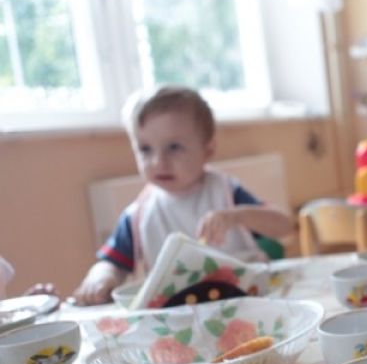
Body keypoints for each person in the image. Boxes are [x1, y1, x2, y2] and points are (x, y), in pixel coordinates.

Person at [73, 86, 294, 306]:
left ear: (208, 150)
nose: (158, 162)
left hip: (245, 304)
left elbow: (284, 225)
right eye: (145, 149)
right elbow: (113, 263)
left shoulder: (225, 192)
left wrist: (236, 217)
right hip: (176, 319)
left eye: (174, 147)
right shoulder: (138, 215)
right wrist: (100, 277)